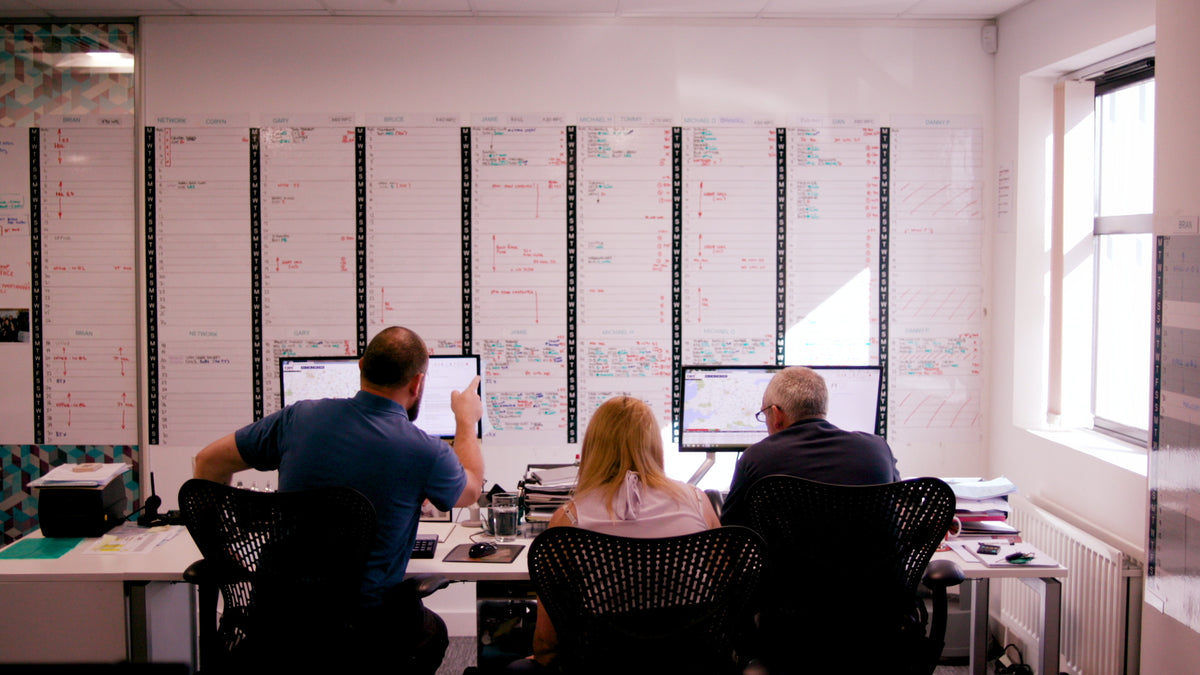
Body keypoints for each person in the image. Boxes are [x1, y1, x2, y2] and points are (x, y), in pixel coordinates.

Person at [193, 326, 484, 674]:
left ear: (361, 366)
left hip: (274, 625)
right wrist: (466, 422)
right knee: (431, 632)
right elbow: (472, 491)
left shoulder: (298, 417)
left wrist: (222, 549)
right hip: (362, 635)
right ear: (418, 383)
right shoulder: (424, 449)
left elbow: (208, 462)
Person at [515, 396, 721, 671]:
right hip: (692, 661)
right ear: (654, 446)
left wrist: (541, 658)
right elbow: (725, 592)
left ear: (593, 448)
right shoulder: (698, 502)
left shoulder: (570, 520)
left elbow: (547, 642)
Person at [720, 366, 899, 527]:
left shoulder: (756, 459)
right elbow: (904, 510)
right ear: (823, 408)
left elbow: (734, 531)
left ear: (776, 414)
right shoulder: (878, 449)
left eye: (764, 413)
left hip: (789, 565)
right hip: (875, 564)